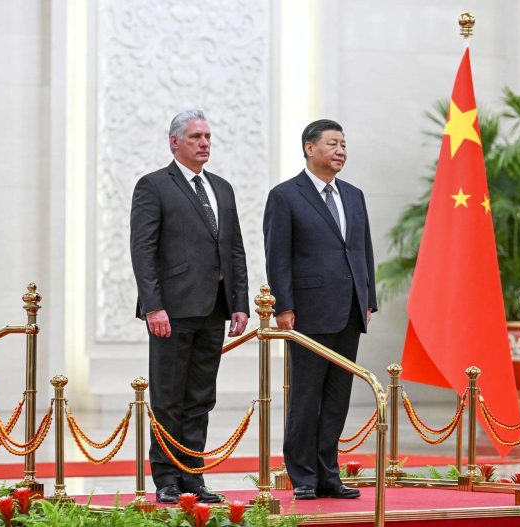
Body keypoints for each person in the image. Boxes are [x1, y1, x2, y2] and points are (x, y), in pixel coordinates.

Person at [130, 110, 249, 504]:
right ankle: (165, 478)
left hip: (214, 309)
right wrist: (153, 306)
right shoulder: (153, 186)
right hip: (172, 311)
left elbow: (233, 249)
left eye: (208, 136)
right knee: (168, 396)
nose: (204, 143)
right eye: (196, 136)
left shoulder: (222, 188)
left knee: (200, 397)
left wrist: (240, 303)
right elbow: (143, 250)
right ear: (174, 141)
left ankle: (192, 475)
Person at [263, 119, 377, 500]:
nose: (341, 150)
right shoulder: (286, 195)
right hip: (307, 312)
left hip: (349, 310)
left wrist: (369, 298)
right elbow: (277, 256)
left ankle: (329, 473)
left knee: (336, 397)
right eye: (333, 143)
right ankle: (304, 476)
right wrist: (284, 306)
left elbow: (362, 251)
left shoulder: (354, 194)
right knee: (306, 396)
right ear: (310, 148)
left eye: (344, 143)